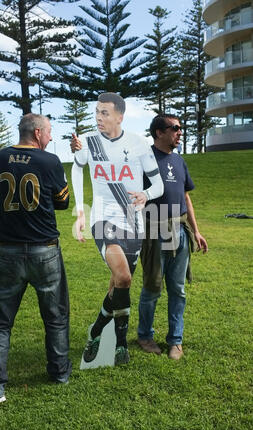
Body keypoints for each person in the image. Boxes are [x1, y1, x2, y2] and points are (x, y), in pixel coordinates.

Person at [71, 92, 164, 366]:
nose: (98, 117)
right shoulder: (87, 142)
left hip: (133, 222)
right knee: (123, 276)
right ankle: (121, 343)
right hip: (103, 219)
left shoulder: (138, 144)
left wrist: (146, 195)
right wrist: (80, 212)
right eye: (97, 112)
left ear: (120, 116)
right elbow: (77, 170)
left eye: (105, 113)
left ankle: (97, 330)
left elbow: (158, 184)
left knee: (119, 285)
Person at [0, 113, 72, 403]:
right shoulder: (49, 160)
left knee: (1, 323)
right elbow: (63, 202)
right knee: (55, 318)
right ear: (39, 132)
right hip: (45, 249)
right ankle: (59, 373)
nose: (52, 137)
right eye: (50, 132)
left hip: (6, 251)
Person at [137, 114, 208, 360]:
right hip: (154, 229)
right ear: (159, 132)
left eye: (180, 127)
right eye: (175, 128)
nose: (180, 132)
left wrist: (196, 231)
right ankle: (145, 335)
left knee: (177, 289)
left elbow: (186, 198)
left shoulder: (179, 161)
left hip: (179, 229)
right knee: (152, 288)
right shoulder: (143, 160)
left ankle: (175, 341)